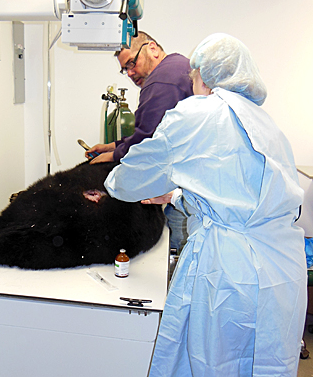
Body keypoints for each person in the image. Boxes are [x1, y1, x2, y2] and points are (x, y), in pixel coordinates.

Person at [105, 33, 307, 376]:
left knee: (212, 363)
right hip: (283, 271)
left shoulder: (197, 112)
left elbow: (132, 180)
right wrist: (176, 196)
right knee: (267, 365)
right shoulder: (267, 125)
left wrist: (111, 183)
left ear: (203, 75)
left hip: (229, 272)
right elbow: (241, 199)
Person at [86, 31, 193, 252]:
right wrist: (112, 146)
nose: (130, 73)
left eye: (132, 63)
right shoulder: (177, 66)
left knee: (180, 249)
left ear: (152, 48)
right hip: (187, 184)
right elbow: (149, 129)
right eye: (125, 69)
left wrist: (113, 156)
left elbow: (147, 139)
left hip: (188, 192)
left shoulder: (162, 81)